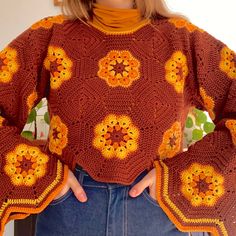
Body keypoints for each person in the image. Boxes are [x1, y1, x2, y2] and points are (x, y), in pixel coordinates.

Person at [0, 0, 235, 235]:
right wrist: (43, 173)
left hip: (155, 215)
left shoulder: (182, 38)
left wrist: (180, 177)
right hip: (69, 213)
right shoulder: (51, 34)